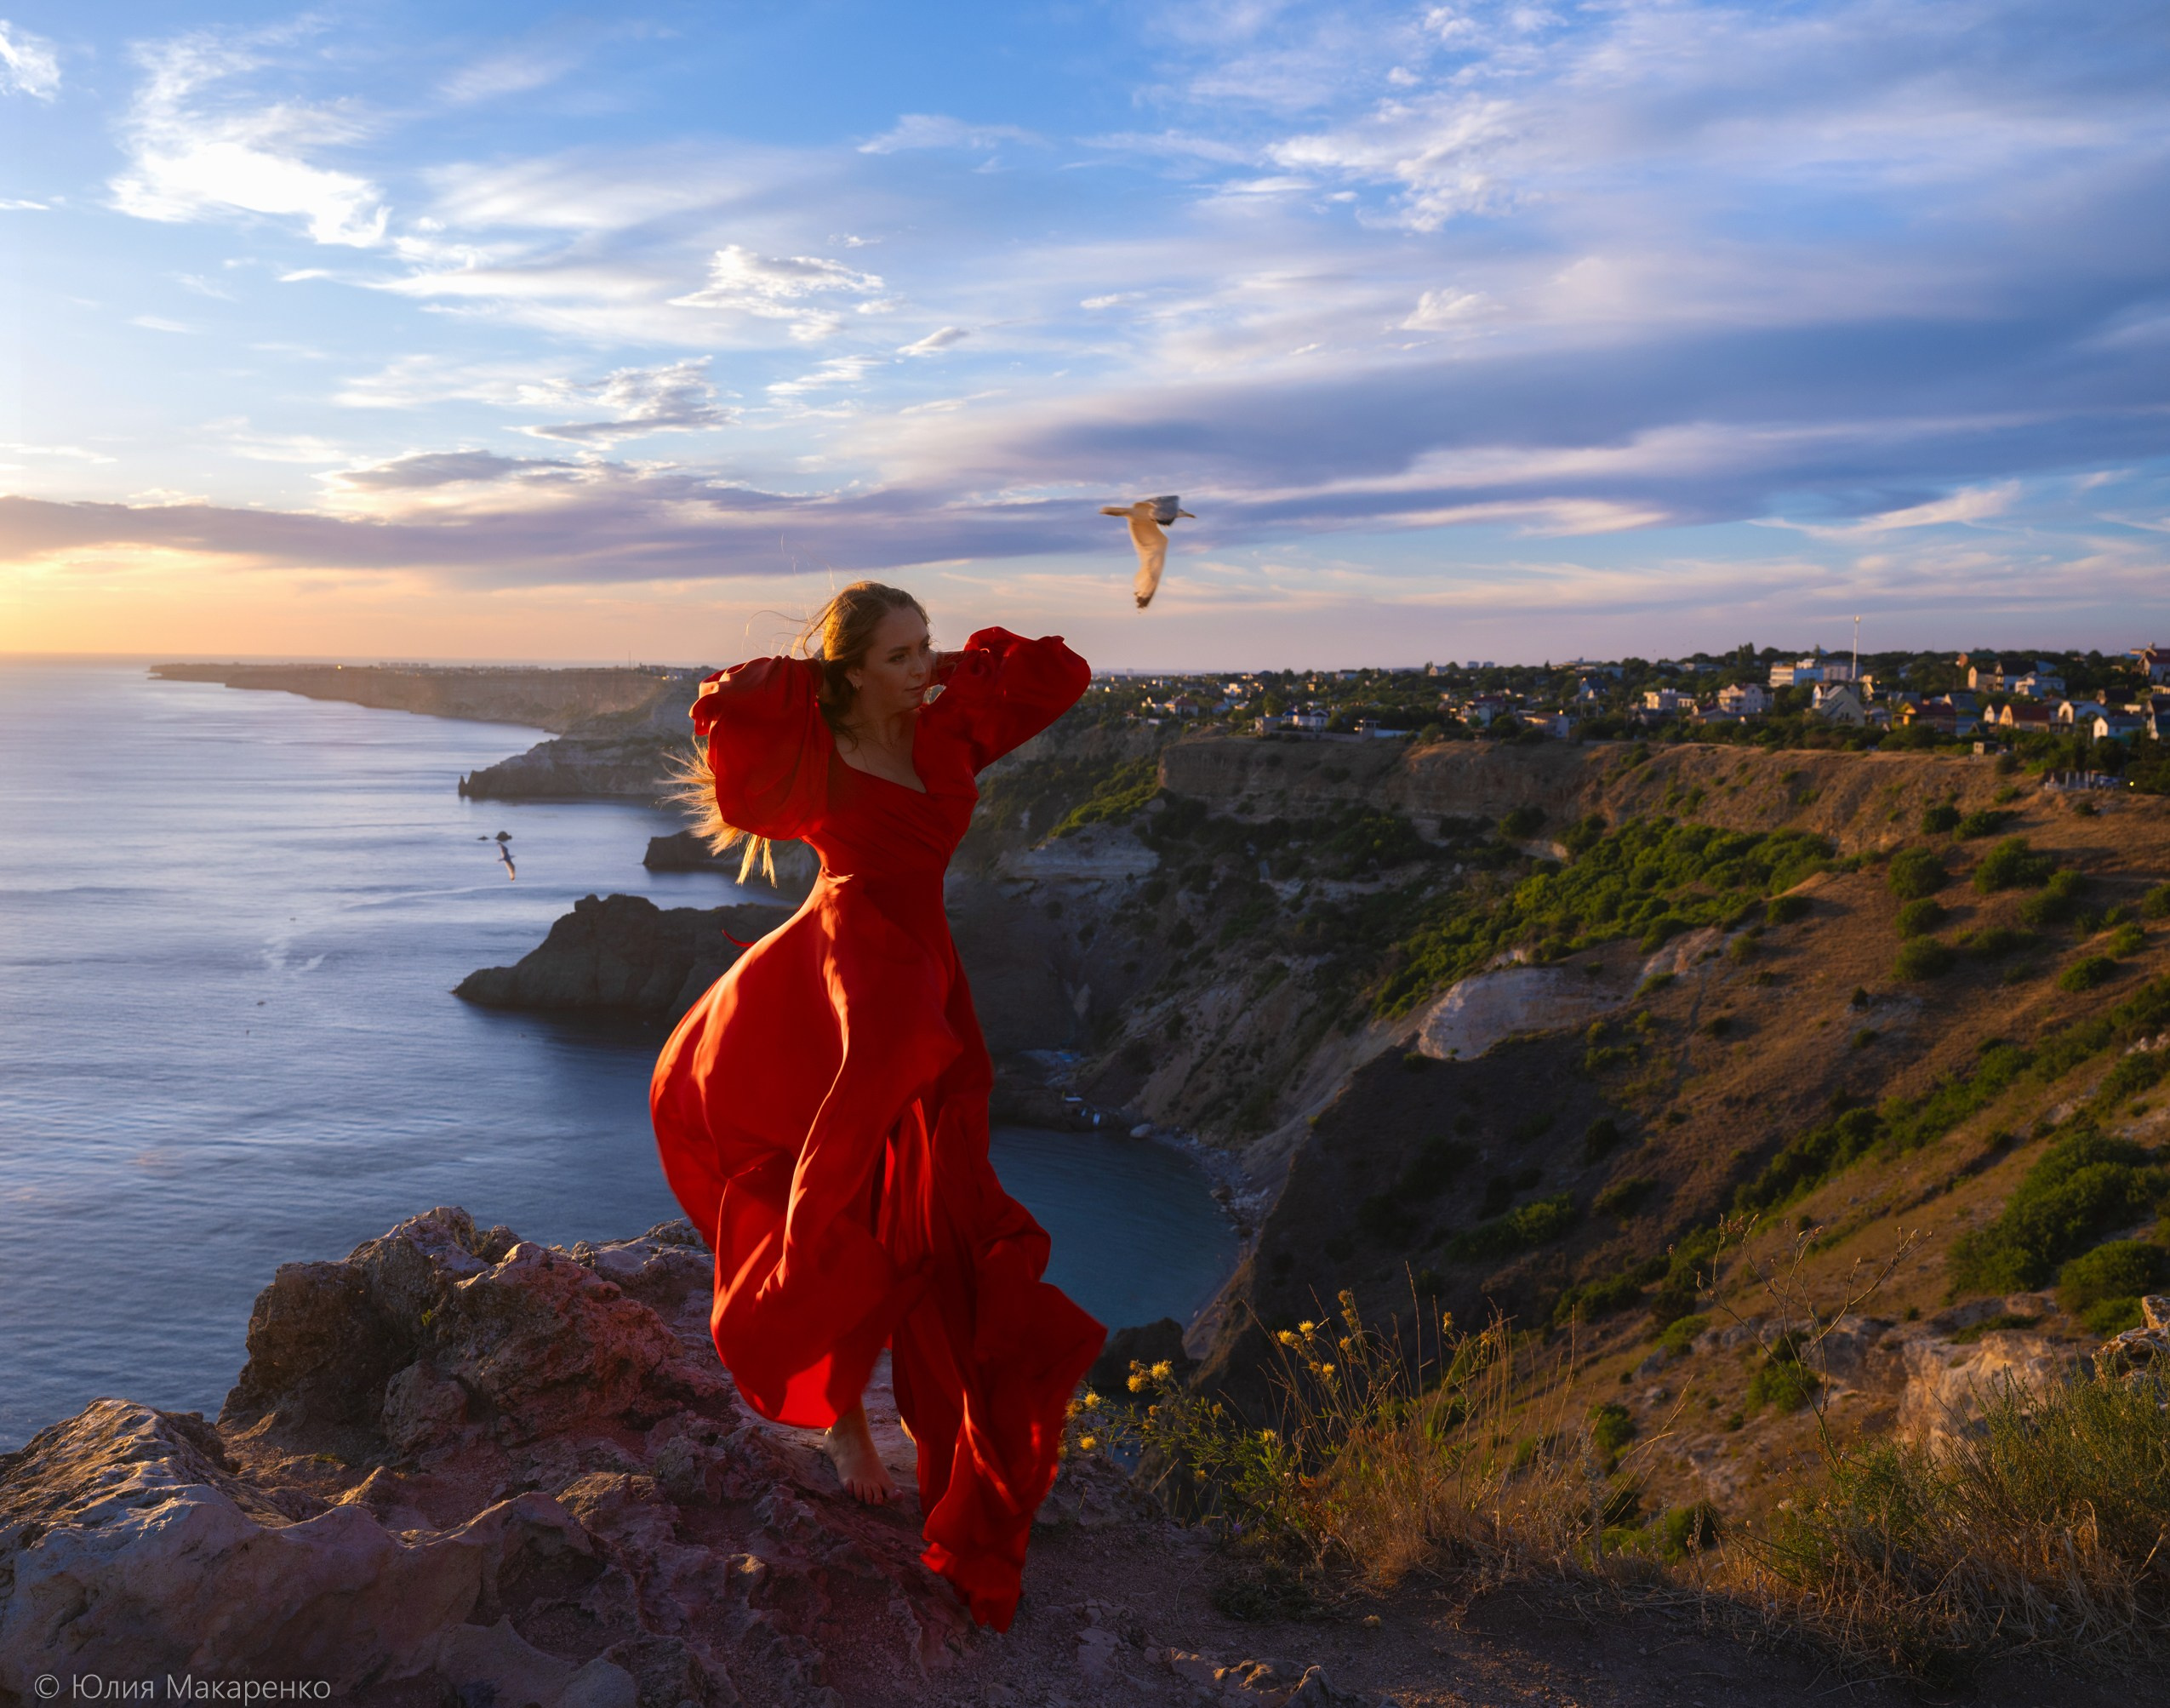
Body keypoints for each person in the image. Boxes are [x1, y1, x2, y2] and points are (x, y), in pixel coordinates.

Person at [649, 580, 1105, 1632]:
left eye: (927, 650)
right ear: (849, 670)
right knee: (839, 1184)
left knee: (938, 1199)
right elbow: (726, 702)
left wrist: (942, 673)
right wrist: (822, 677)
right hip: (853, 976)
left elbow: (1060, 675)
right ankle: (846, 1412)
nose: (920, 669)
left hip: (927, 974)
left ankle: (926, 1419)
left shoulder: (944, 730)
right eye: (899, 655)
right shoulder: (818, 755)